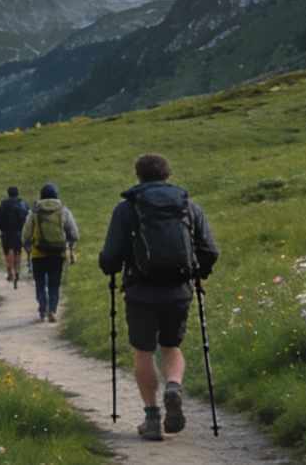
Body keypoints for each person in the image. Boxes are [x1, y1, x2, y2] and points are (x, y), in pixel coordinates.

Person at [97, 153, 218, 443]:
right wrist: (199, 273)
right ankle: (173, 386)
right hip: (178, 290)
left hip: (140, 291)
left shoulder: (126, 209)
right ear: (168, 174)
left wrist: (109, 266)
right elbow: (210, 250)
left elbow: (111, 257)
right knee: (171, 347)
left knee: (143, 352)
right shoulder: (189, 207)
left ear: (138, 176)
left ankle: (152, 419)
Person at [25, 183, 79, 322]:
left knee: (40, 283)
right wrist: (70, 244)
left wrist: (27, 244)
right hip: (58, 253)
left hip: (38, 253)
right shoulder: (63, 210)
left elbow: (26, 232)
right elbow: (73, 232)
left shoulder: (35, 211)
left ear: (41, 195)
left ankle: (42, 308)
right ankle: (53, 310)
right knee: (54, 283)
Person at [0, 185, 31, 288]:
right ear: (17, 193)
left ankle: (9, 271)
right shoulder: (23, 204)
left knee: (7, 252)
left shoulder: (2, 205)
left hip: (5, 233)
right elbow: (29, 219)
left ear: (8, 193)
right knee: (18, 252)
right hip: (19, 233)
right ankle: (17, 271)